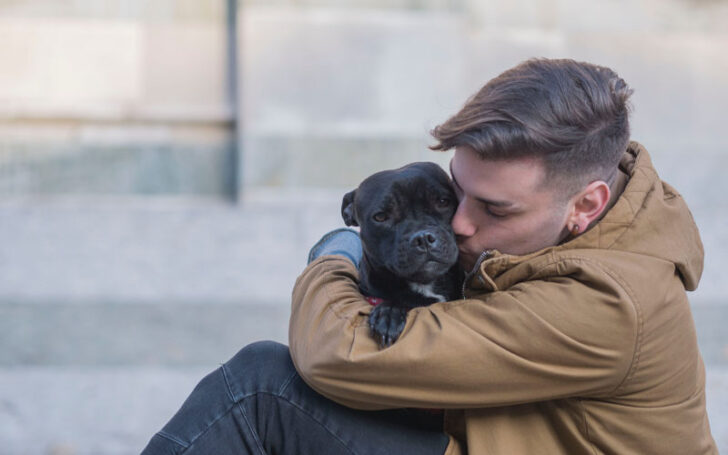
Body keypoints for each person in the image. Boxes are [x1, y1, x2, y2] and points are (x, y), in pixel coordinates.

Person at [141, 58, 717, 454]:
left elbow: (337, 355)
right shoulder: (573, 221)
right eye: (455, 195)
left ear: (584, 204)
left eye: (495, 208)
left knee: (261, 384)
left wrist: (336, 249)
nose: (461, 225)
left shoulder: (610, 304)